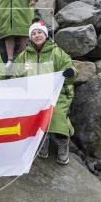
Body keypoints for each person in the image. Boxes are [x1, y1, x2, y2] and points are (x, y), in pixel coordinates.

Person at [14, 20, 78, 165]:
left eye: (40, 32)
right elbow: (16, 75)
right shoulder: (24, 56)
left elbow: (72, 70)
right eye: (34, 33)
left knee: (56, 114)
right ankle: (43, 139)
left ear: (46, 34)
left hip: (57, 93)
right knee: (32, 113)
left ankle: (63, 141)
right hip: (33, 95)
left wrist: (70, 72)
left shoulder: (57, 53)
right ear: (30, 37)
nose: (37, 35)